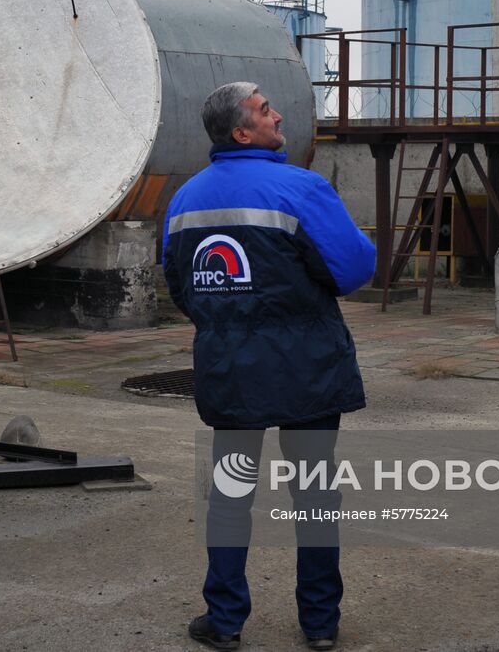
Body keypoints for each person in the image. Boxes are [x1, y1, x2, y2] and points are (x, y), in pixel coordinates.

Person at [163, 81, 376, 652]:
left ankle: (224, 621)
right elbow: (354, 270)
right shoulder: (301, 189)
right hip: (306, 369)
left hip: (230, 368)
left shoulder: (185, 200)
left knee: (231, 495)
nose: (277, 113)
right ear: (241, 131)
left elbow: (182, 287)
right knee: (313, 495)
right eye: (264, 109)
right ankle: (320, 624)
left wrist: (228, 321)